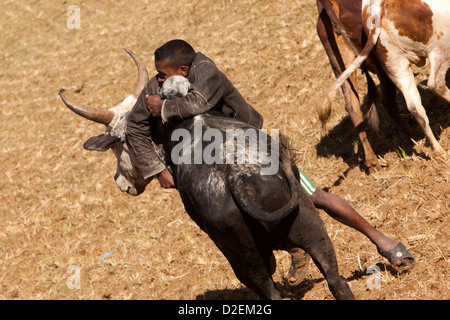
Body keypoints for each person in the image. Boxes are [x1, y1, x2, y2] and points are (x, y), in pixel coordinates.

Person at [126, 39, 415, 287]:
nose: (159, 81)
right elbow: (134, 126)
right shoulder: (160, 82)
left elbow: (198, 103)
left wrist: (162, 107)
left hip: (249, 148)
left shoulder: (205, 71)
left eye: (163, 75)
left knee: (312, 196)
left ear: (183, 71)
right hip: (209, 160)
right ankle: (294, 249)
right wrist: (158, 169)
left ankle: (382, 241)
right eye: (158, 76)